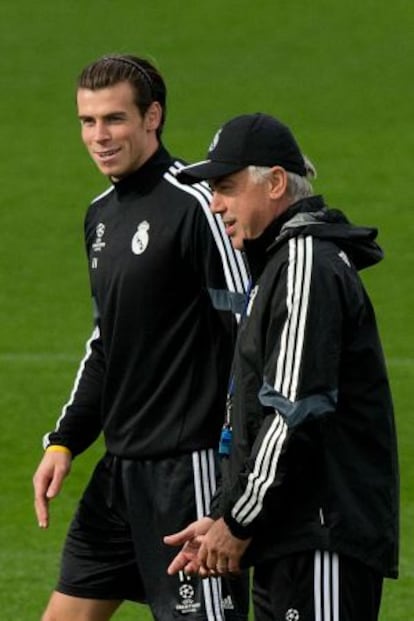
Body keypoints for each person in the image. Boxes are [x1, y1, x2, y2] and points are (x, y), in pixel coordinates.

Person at [32, 55, 250, 621]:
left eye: (114, 119)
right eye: (87, 121)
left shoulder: (197, 205)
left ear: (152, 117)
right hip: (121, 471)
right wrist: (65, 440)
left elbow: (248, 332)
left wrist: (238, 470)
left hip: (190, 471)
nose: (99, 137)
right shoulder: (100, 216)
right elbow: (107, 339)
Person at [164, 113, 400, 621]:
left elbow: (295, 411)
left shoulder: (305, 265)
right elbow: (253, 413)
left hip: (319, 538)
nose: (215, 204)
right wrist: (224, 516)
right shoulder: (280, 265)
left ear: (274, 182)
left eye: (225, 187)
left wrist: (238, 519)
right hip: (291, 537)